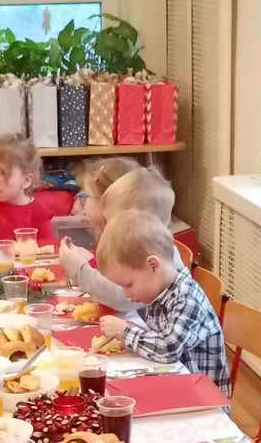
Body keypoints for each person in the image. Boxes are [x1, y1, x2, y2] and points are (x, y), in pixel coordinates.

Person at [96, 210, 229, 391]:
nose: (125, 293)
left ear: (153, 266)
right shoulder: (160, 290)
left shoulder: (187, 298)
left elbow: (168, 349)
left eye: (128, 284)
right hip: (175, 381)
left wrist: (125, 332)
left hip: (202, 395)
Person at [60, 163, 176, 314]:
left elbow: (123, 299)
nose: (110, 229)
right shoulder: (145, 243)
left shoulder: (151, 252)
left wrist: (79, 270)